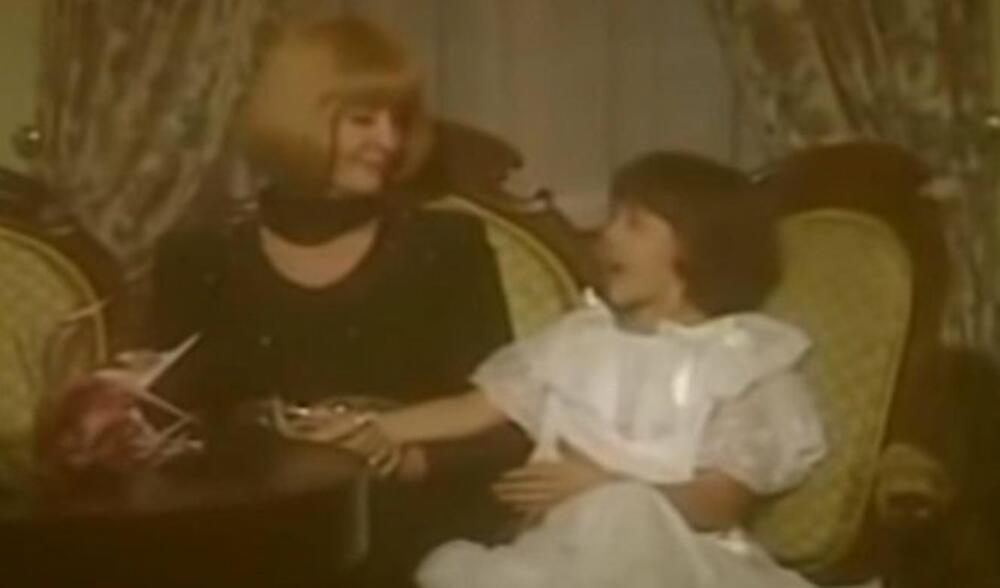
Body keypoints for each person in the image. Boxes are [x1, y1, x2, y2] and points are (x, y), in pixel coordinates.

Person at [43, 16, 530, 587]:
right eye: (363, 120)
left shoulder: (446, 249)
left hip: (402, 528)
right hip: (241, 532)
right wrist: (107, 419)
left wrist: (408, 458)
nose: (389, 141)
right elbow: (170, 420)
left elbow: (507, 423)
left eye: (398, 121)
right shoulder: (200, 254)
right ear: (298, 119)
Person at [277, 152, 828, 587]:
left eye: (634, 224)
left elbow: (719, 502)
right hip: (558, 559)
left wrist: (605, 488)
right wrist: (367, 427)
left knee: (622, 513)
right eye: (611, 217)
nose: (607, 234)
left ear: (697, 247)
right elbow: (473, 409)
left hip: (681, 564)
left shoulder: (739, 359)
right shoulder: (579, 342)